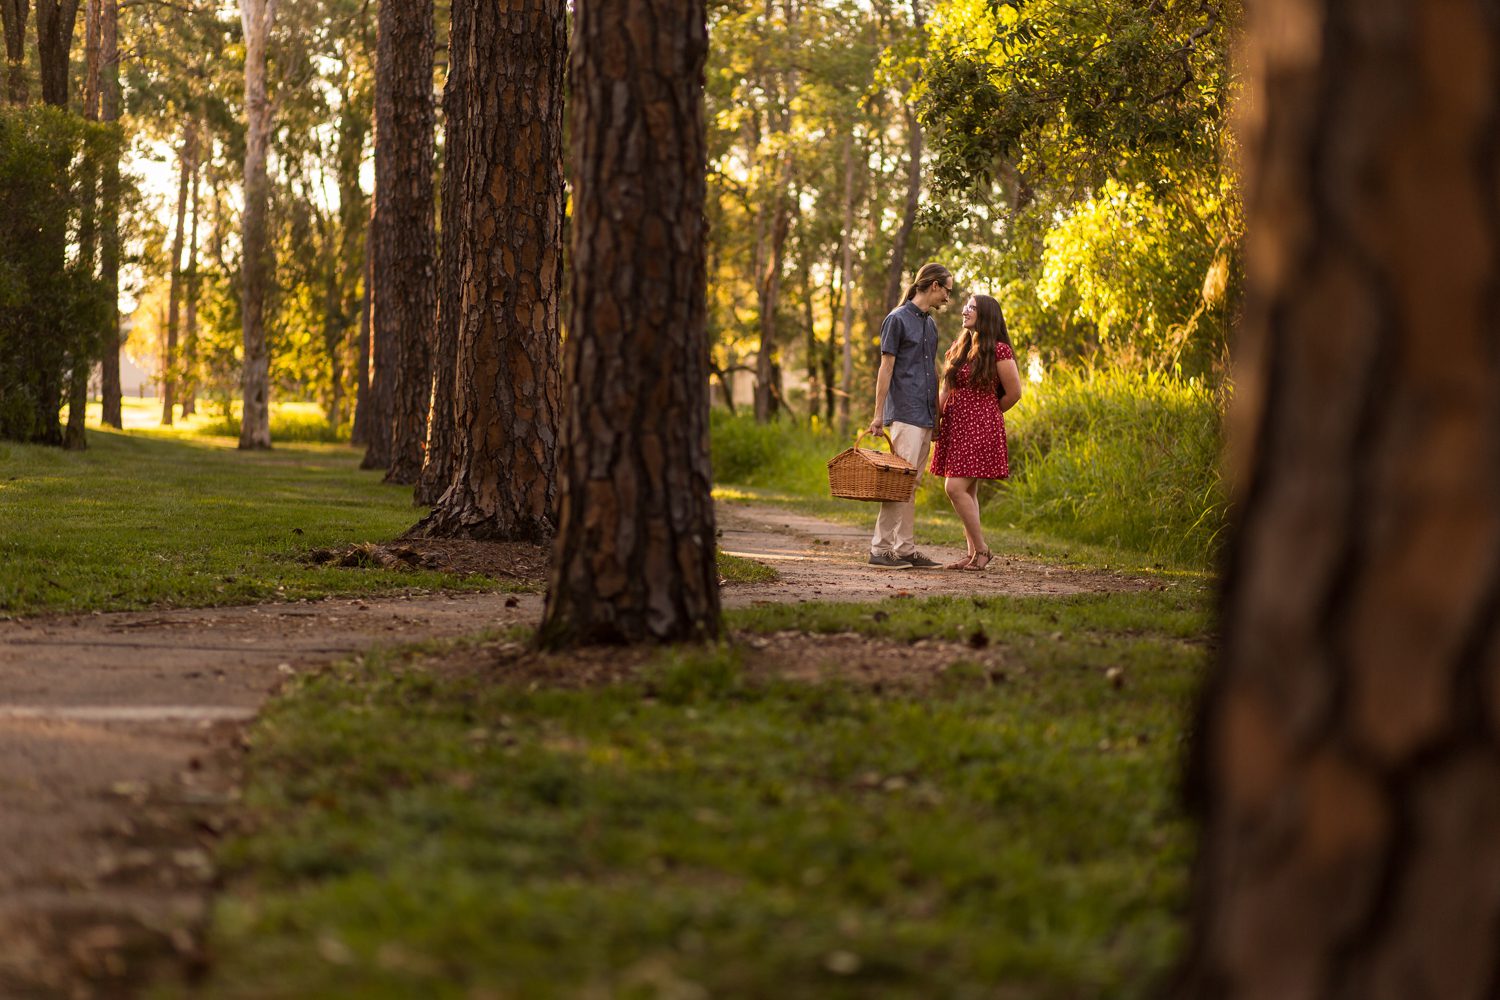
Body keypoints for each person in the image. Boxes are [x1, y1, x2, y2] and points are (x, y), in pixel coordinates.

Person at [866, 262, 953, 569]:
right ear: (934, 286)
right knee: (898, 484)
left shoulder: (930, 325)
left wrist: (936, 417)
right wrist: (878, 415)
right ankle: (880, 549)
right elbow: (886, 368)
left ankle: (904, 549)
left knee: (911, 484)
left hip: (925, 415)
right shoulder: (896, 319)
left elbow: (933, 373)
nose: (948, 297)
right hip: (904, 413)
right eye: (947, 290)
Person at [929, 293, 1022, 570]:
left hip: (981, 428)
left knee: (954, 487)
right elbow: (946, 390)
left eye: (972, 307)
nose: (965, 310)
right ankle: (972, 555)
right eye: (966, 306)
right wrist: (936, 420)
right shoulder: (959, 347)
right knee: (968, 491)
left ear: (987, 315)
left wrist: (987, 414)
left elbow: (1014, 393)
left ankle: (982, 550)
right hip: (956, 427)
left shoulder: (999, 350)